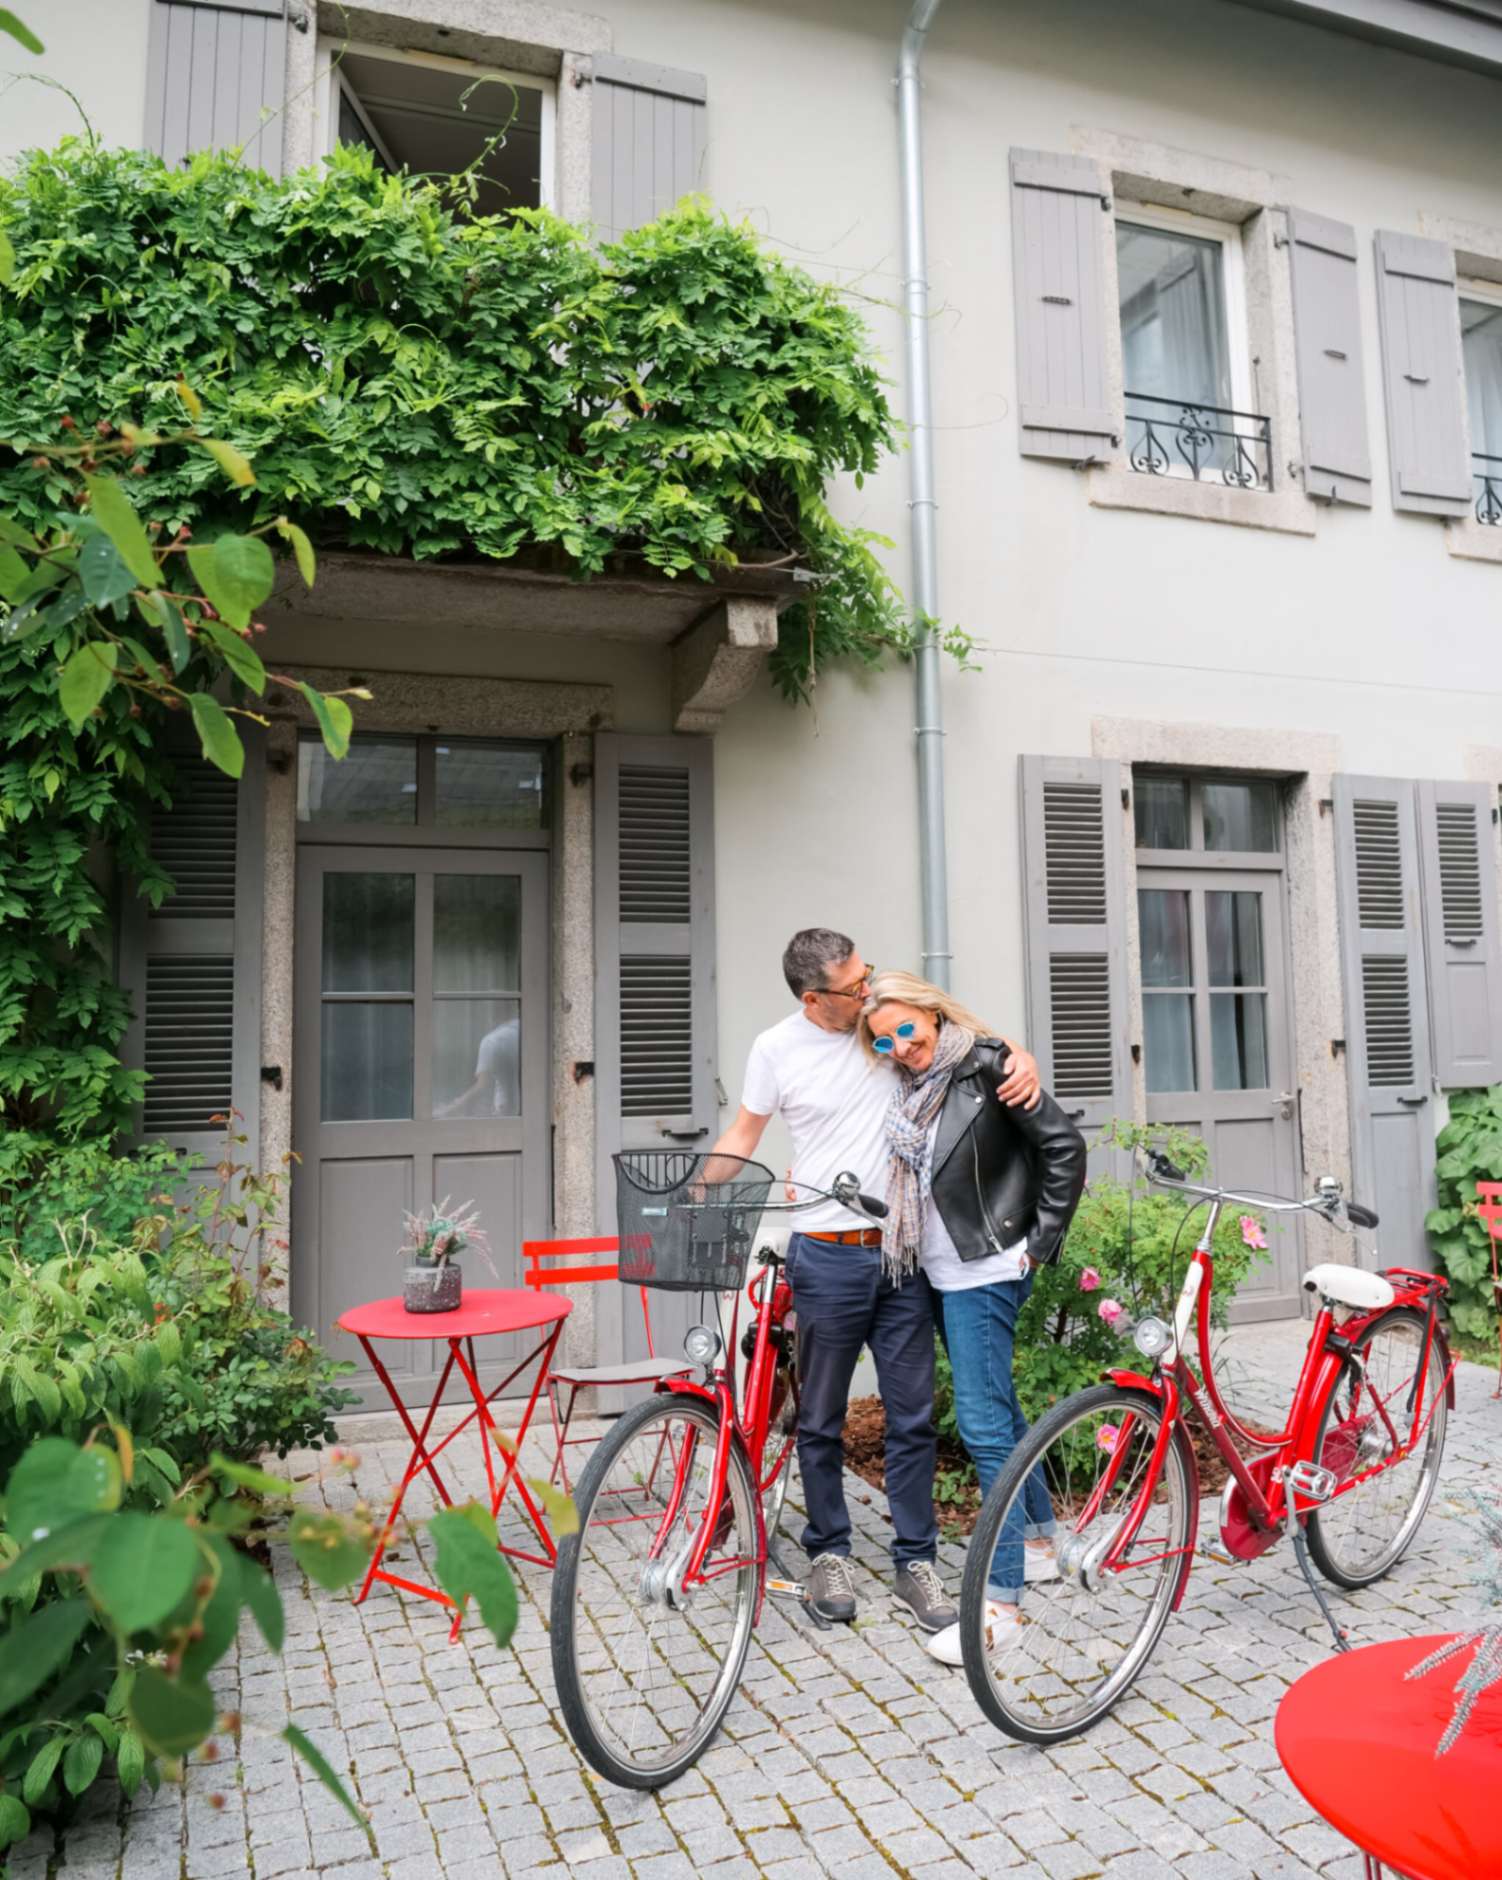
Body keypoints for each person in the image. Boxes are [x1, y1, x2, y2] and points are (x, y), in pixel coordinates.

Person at [708, 929, 1040, 1630]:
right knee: (821, 1418)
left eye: (868, 975)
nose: (868, 990)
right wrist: (697, 1189)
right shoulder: (776, 1049)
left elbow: (960, 1035)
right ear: (813, 997)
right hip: (824, 1252)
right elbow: (744, 1131)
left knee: (911, 1415)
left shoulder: (883, 1029)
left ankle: (914, 1559)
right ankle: (828, 1547)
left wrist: (1022, 1058)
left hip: (901, 1254)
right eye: (853, 986)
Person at [859, 969, 1087, 1665]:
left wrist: (1037, 1245)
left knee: (984, 1426)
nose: (900, 1044)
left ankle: (1002, 1602)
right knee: (998, 1408)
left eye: (907, 1028)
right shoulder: (909, 1085)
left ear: (932, 1016)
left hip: (984, 1268)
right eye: (884, 1039)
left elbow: (1064, 1147)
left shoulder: (985, 1065)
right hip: (933, 1266)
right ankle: (1045, 1542)